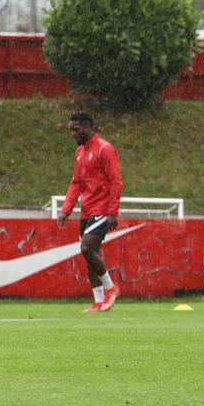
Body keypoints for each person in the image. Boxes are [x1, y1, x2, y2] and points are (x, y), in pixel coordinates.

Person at [58, 112, 123, 313]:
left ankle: (111, 288)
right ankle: (98, 301)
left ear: (87, 127)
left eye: (75, 130)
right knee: (89, 254)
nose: (73, 134)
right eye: (71, 130)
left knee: (87, 248)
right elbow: (76, 182)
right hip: (86, 210)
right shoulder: (80, 152)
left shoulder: (105, 149)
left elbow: (116, 181)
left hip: (102, 208)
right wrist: (66, 209)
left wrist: (113, 211)